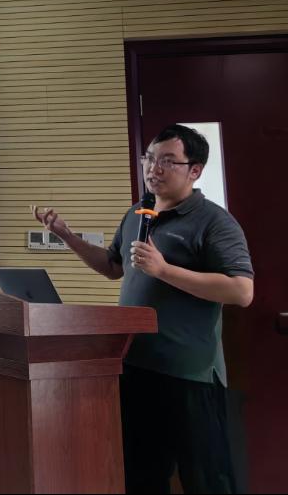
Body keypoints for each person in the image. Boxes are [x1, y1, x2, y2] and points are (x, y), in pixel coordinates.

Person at [32, 124, 253, 494]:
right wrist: (67, 236)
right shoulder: (137, 212)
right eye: (150, 158)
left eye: (167, 161)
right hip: (135, 365)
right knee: (141, 476)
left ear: (195, 170)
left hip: (189, 373)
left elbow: (242, 291)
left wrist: (164, 270)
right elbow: (112, 267)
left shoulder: (214, 221)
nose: (154, 168)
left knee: (207, 479)